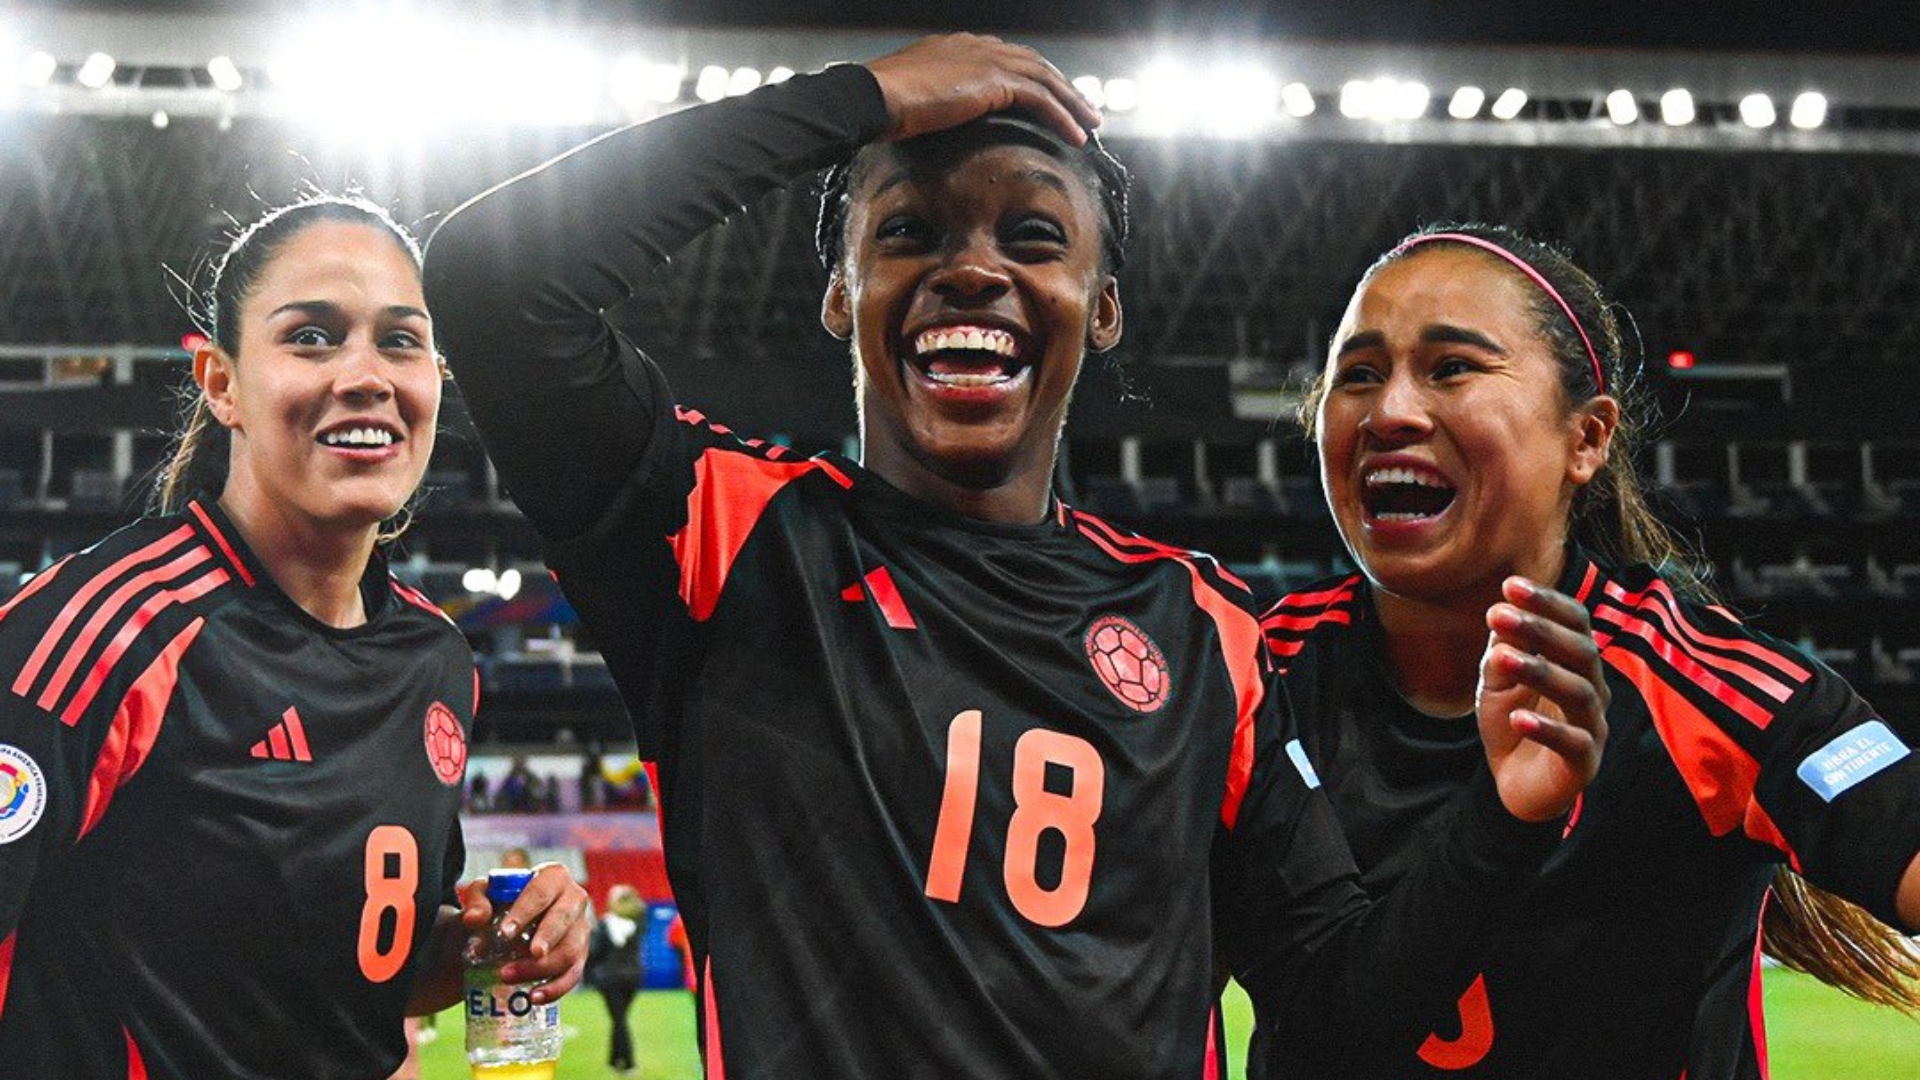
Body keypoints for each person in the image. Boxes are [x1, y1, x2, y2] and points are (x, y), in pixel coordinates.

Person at [423, 35, 1606, 1077]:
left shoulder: (1206, 635)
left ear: (1102, 307)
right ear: (839, 294)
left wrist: (1502, 820)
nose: (975, 268)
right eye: (908, 233)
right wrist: (863, 99)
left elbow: (1343, 1013)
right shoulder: (725, 540)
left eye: (1035, 236)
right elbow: (495, 282)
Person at [1261, 222, 1920, 1079]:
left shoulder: (1707, 688)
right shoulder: (1246, 675)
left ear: (1587, 439)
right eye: (1358, 374)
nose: (1390, 412)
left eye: (1452, 366)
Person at [0, 195, 592, 1080]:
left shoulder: (435, 660)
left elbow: (372, 972)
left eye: (400, 340)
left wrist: (502, 938)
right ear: (220, 383)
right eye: (311, 337)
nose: (367, 375)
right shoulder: (101, 630)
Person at [587, 884, 648, 1075]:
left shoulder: (605, 924)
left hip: (610, 978)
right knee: (619, 1019)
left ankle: (628, 1063)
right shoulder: (637, 923)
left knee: (619, 1020)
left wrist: (590, 975)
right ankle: (614, 1060)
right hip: (633, 977)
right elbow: (641, 908)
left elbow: (595, 952)